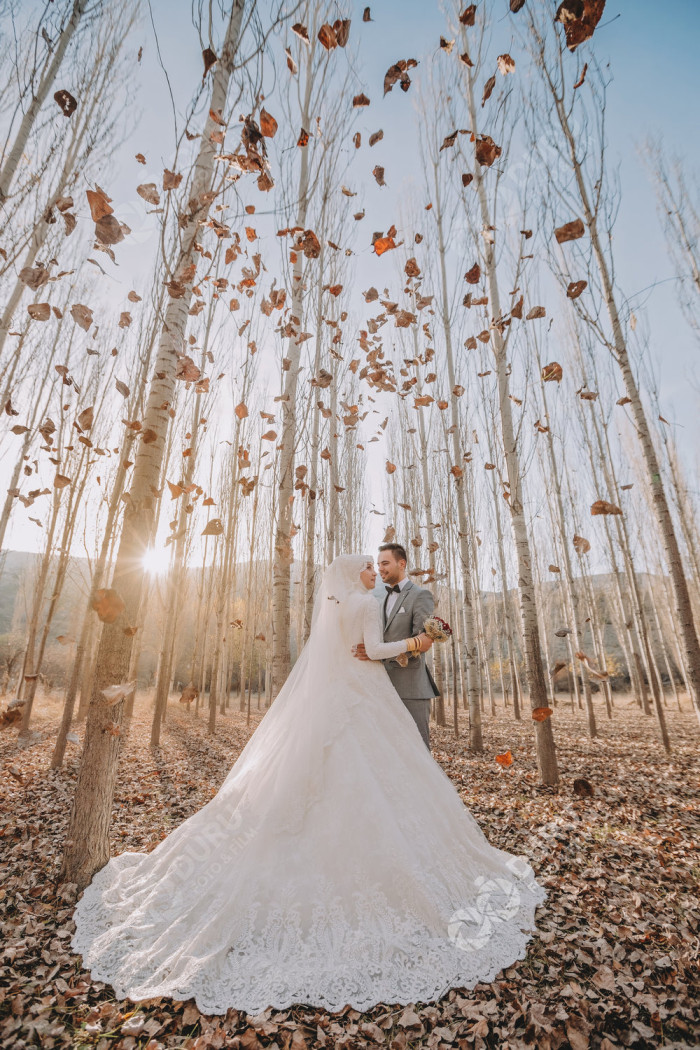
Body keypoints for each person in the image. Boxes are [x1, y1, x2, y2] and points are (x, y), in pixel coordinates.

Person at [70, 554, 546, 1017]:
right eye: (367, 566)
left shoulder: (336, 606)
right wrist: (414, 642)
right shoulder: (364, 604)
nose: (373, 572)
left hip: (341, 694)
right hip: (364, 694)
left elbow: (342, 650)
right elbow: (374, 650)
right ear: (353, 574)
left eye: (376, 566)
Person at [352, 542, 440, 750]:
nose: (380, 569)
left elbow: (422, 643)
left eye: (385, 563)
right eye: (378, 564)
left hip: (411, 688)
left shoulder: (420, 595)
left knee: (418, 751)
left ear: (402, 564)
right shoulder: (379, 600)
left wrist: (377, 654)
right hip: (383, 688)